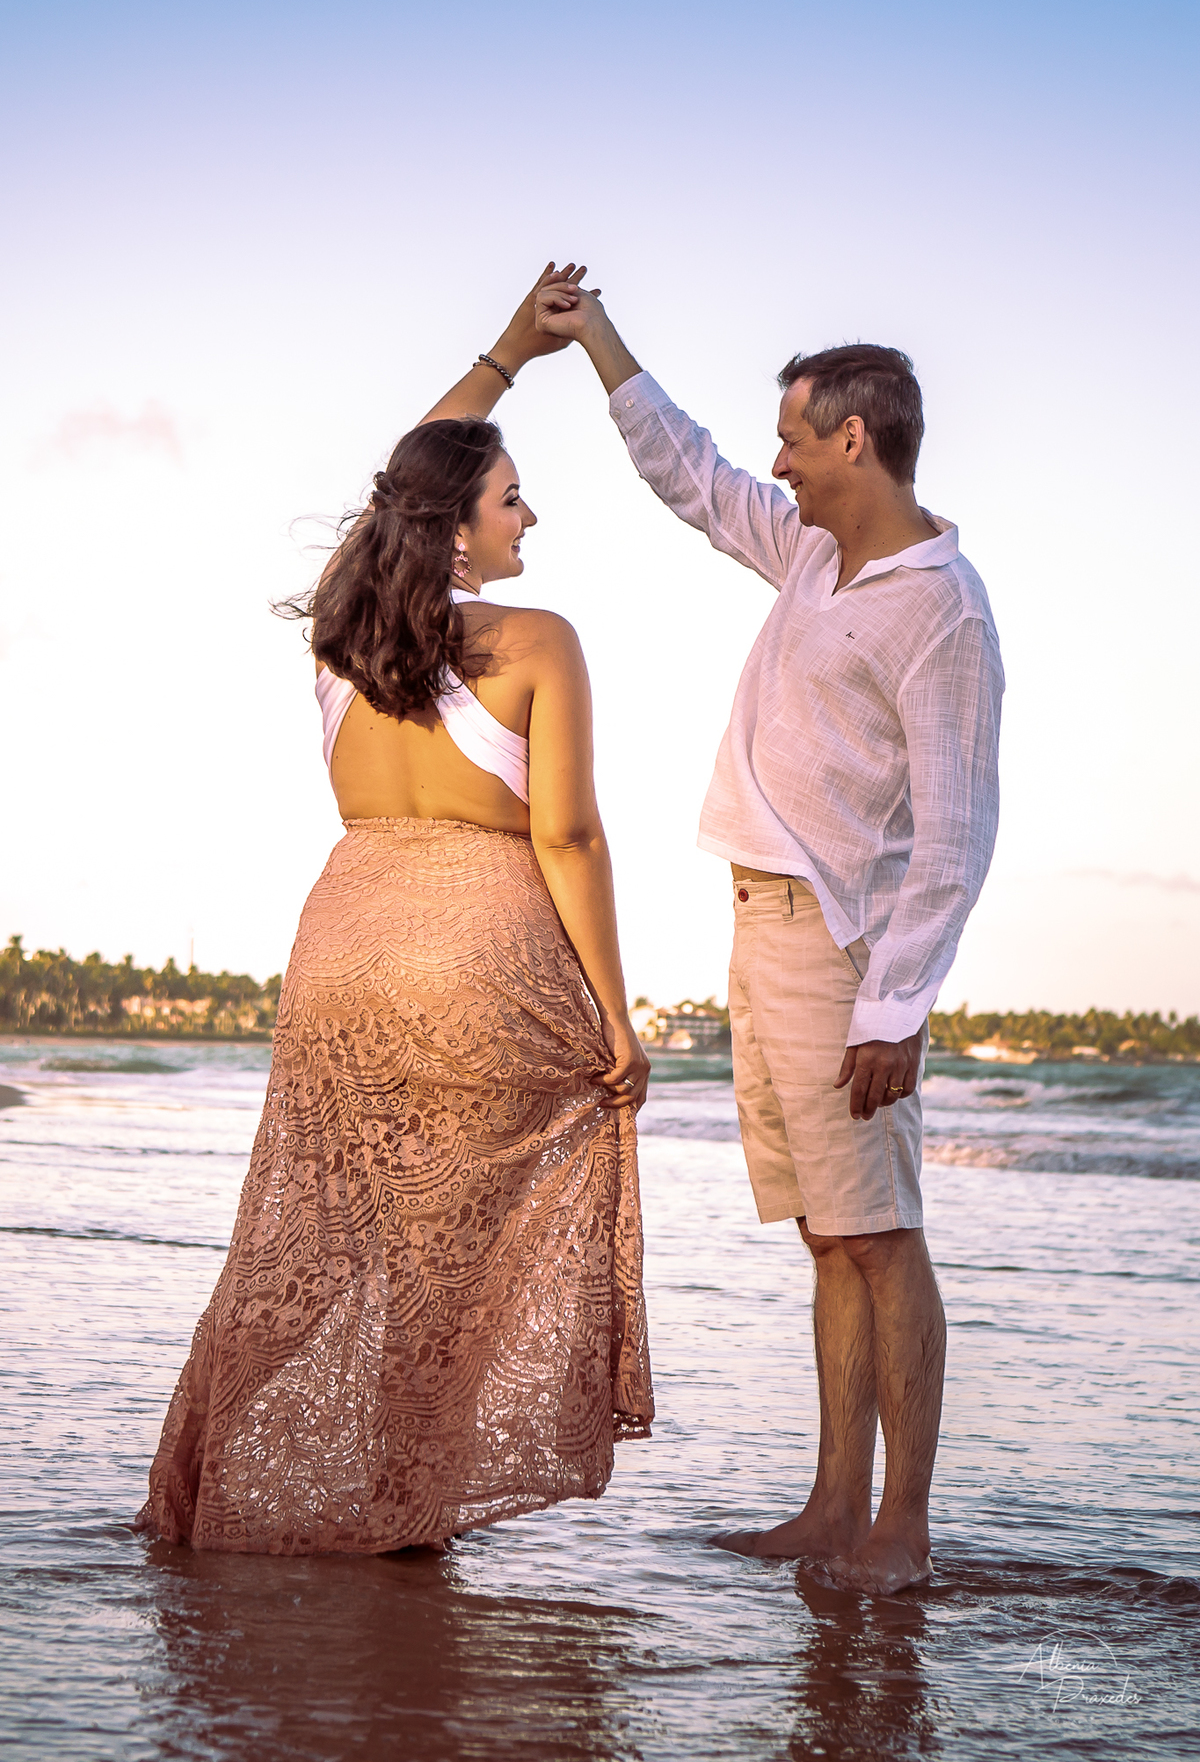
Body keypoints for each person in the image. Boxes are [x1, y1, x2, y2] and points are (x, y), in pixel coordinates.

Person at [136, 264, 654, 1556]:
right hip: (480, 965)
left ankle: (198, 1494)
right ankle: (402, 1517)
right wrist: (617, 1017)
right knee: (444, 1268)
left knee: (304, 1247)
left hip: (344, 953)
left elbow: (400, 487)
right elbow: (569, 837)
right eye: (511, 495)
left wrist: (506, 353)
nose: (530, 514)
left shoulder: (339, 634)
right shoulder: (538, 641)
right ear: (459, 528)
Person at [536, 280, 1003, 1594]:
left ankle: (900, 1528)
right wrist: (597, 341)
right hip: (760, 929)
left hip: (843, 953)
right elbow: (690, 474)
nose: (778, 462)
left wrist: (893, 1008)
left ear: (855, 438)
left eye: (795, 437)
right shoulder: (808, 552)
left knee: (881, 1235)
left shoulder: (943, 609)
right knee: (827, 1236)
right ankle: (831, 1506)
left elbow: (958, 834)